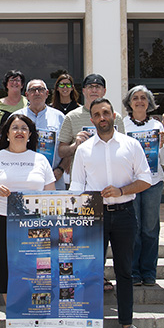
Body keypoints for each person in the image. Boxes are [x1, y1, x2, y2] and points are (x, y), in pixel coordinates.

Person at [69, 98, 152, 328]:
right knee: (90, 272)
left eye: (106, 112)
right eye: (97, 114)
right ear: (92, 119)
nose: (102, 117)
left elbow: (145, 180)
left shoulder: (131, 145)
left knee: (124, 271)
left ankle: (126, 323)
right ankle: (86, 327)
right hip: (93, 216)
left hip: (125, 213)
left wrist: (120, 190)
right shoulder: (83, 150)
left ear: (114, 115)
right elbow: (76, 186)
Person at [0, 114, 56, 328]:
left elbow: (51, 196)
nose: (19, 131)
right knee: (6, 274)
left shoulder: (40, 159)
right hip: (0, 221)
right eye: (14, 128)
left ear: (30, 134)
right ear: (7, 133)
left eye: (24, 128)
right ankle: (15, 323)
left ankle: (41, 327)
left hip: (35, 227)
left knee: (38, 276)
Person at [57, 73, 124, 290]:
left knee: (105, 238)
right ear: (83, 90)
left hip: (110, 188)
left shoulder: (117, 118)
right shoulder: (72, 117)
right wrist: (76, 145)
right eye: (90, 86)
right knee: (83, 237)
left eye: (98, 86)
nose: (94, 89)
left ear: (104, 91)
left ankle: (102, 276)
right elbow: (61, 150)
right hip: (80, 186)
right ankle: (82, 275)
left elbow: (123, 147)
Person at [122, 85, 164, 286]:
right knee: (134, 227)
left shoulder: (157, 126)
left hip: (153, 182)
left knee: (150, 228)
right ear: (129, 103)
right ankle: (133, 271)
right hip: (131, 182)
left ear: (149, 102)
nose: (140, 101)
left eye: (143, 98)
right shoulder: (122, 125)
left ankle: (149, 272)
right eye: (135, 98)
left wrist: (162, 145)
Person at [13, 79, 68, 189]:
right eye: (33, 90)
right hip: (23, 178)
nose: (37, 93)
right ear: (27, 95)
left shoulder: (60, 117)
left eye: (40, 90)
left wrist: (61, 169)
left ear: (47, 93)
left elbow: (68, 149)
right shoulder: (16, 118)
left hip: (54, 179)